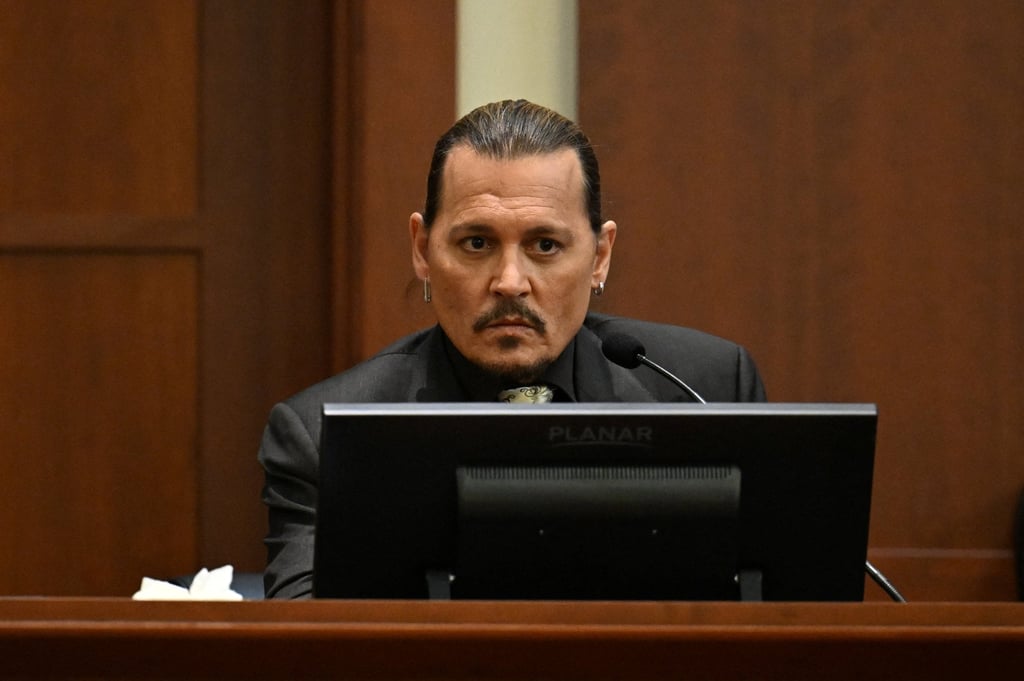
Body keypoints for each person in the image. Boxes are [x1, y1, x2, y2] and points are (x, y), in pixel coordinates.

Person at [258, 99, 766, 599]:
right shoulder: (322, 433)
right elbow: (308, 641)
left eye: (545, 245)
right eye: (477, 243)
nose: (509, 282)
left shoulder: (708, 388)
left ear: (600, 257)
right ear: (422, 250)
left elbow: (782, 607)